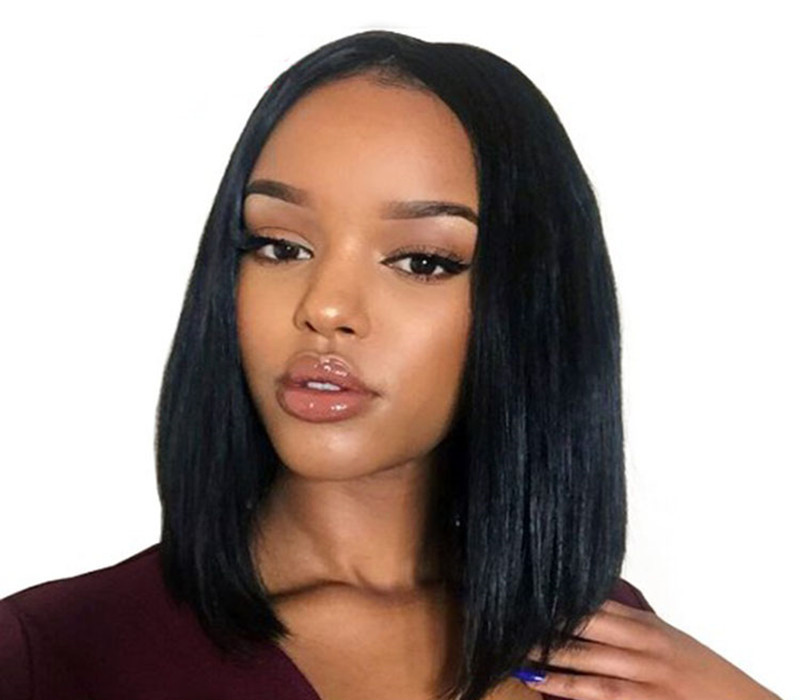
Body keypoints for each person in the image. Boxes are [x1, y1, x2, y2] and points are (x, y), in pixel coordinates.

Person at [0, 30, 782, 700]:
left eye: (421, 261)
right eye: (280, 246)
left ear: (529, 308)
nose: (326, 306)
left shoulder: (602, 644)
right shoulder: (54, 654)